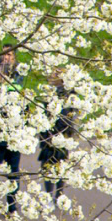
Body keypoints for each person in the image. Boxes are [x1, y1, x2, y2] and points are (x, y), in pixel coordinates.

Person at [0, 46, 21, 214]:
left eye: (9, 54)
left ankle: (12, 207)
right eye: (3, 54)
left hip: (14, 134)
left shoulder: (19, 74)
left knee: (13, 172)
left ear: (14, 57)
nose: (6, 58)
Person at [38, 74, 76, 202]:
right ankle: (51, 195)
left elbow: (67, 117)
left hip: (58, 133)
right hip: (49, 134)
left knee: (59, 165)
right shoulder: (48, 92)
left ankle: (57, 195)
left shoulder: (65, 94)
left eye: (54, 75)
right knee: (48, 165)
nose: (50, 77)